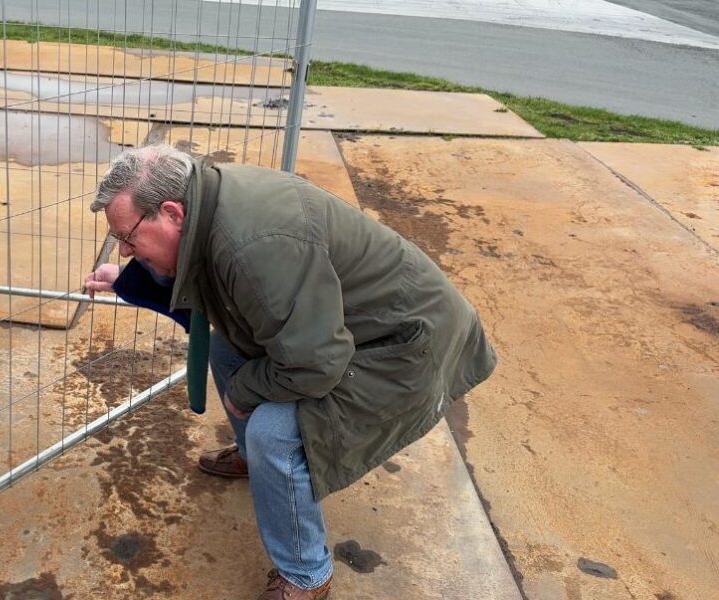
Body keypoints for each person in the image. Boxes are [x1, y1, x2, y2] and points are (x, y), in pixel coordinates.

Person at [84, 145, 497, 600]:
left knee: (273, 432)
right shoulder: (210, 200)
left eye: (127, 236)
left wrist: (245, 391)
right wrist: (127, 279)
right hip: (355, 330)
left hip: (408, 348)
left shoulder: (253, 247)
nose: (124, 249)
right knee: (225, 350)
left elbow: (316, 363)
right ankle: (257, 464)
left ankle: (306, 573)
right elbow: (219, 292)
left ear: (171, 213)